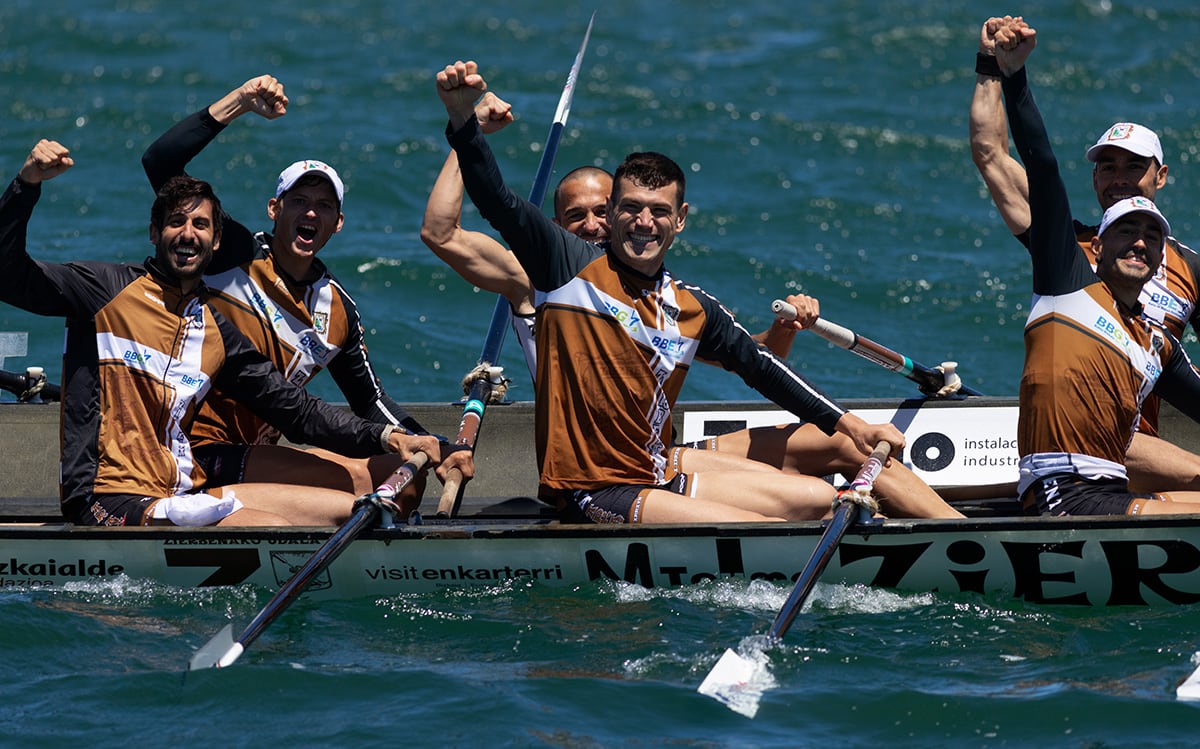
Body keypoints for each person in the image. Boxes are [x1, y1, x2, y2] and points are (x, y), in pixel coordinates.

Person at [433, 60, 948, 524]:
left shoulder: (692, 306)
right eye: (631, 208)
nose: (643, 222)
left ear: (679, 220)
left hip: (654, 465)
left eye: (658, 211)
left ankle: (960, 534)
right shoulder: (562, 264)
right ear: (614, 214)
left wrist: (849, 424)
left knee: (816, 500)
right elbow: (495, 200)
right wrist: (464, 122)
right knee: (772, 531)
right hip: (593, 489)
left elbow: (763, 367)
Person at [0, 140, 448, 527]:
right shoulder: (103, 290)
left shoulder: (214, 330)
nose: (188, 235)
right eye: (176, 222)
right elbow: (7, 275)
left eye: (200, 226)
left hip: (180, 487)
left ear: (216, 243)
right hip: (107, 499)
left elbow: (297, 410)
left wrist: (391, 438)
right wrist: (27, 184)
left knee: (350, 512)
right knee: (267, 528)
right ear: (155, 232)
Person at [141, 75, 471, 510]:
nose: (310, 211)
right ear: (274, 209)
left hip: (248, 454)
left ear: (337, 222)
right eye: (298, 200)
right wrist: (239, 102)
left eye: (324, 205)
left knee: (401, 480)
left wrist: (433, 445)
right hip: (187, 448)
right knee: (358, 483)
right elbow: (159, 163)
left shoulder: (337, 310)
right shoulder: (231, 252)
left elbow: (370, 401)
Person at [970, 16, 1200, 494]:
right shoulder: (1065, 249)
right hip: (1087, 440)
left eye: (1134, 167)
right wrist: (992, 64)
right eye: (1107, 166)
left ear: (1161, 177)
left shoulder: (1190, 269)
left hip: (1143, 450)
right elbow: (992, 153)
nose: (1117, 177)